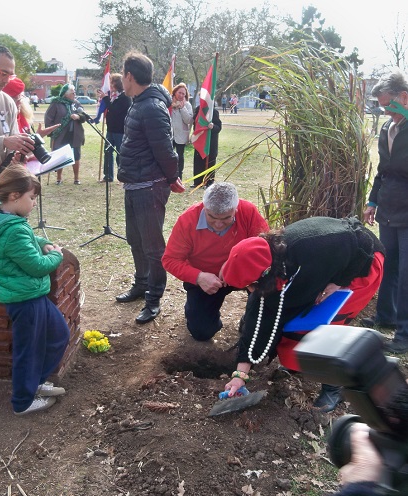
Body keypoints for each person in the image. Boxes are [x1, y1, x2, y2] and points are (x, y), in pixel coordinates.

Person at [220, 216, 385, 412]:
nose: (250, 290)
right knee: (291, 322)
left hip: (361, 265)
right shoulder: (273, 263)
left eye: (250, 285)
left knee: (326, 325)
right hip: (326, 268)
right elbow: (258, 320)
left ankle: (334, 387)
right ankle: (302, 363)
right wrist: (240, 375)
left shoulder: (314, 244)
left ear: (265, 273)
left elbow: (362, 241)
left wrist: (341, 280)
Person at [0, 164, 69, 415]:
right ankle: (22, 401)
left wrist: (45, 242)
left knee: (59, 334)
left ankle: (36, 383)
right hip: (24, 300)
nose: (33, 204)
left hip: (32, 296)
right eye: (31, 198)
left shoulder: (7, 220)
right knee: (27, 351)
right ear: (14, 196)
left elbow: (29, 238)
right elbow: (37, 266)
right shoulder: (13, 229)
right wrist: (57, 255)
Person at [114, 52, 185, 324]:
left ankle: (153, 298)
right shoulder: (138, 103)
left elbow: (166, 151)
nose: (121, 78)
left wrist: (172, 178)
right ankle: (141, 285)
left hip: (149, 187)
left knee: (153, 247)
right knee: (135, 240)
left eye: (123, 74)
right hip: (134, 184)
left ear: (129, 76)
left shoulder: (152, 107)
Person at [161, 182, 268, 341]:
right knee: (202, 332)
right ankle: (196, 311)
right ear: (204, 207)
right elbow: (170, 259)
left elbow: (265, 246)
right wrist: (198, 277)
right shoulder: (187, 220)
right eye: (211, 217)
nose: (218, 224)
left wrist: (234, 262)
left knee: (269, 290)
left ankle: (251, 319)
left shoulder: (248, 211)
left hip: (243, 270)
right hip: (207, 278)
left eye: (226, 218)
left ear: (236, 209)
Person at [362, 71, 408, 354]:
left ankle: (404, 333)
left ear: (404, 97)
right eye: (382, 106)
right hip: (389, 208)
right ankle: (386, 317)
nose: (386, 111)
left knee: (406, 272)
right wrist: (373, 201)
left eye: (389, 104)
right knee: (389, 264)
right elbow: (382, 170)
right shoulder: (386, 129)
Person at [0, 46, 36, 200]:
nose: (6, 80)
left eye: (10, 75)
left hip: (0, 189)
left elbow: (12, 143)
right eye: (3, 73)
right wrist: (4, 141)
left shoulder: (8, 102)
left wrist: (19, 154)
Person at [45, 84, 87, 185]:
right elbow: (48, 117)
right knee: (60, 156)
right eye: (73, 93)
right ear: (66, 94)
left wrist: (78, 116)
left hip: (75, 135)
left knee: (76, 156)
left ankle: (76, 178)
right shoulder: (56, 103)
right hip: (61, 135)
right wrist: (51, 130)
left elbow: (84, 116)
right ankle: (58, 179)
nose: (74, 94)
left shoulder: (76, 103)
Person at [95, 74, 131, 183]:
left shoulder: (125, 97)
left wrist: (105, 99)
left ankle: (124, 176)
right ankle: (108, 176)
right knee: (108, 152)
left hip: (120, 131)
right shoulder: (114, 96)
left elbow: (115, 110)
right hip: (111, 130)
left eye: (112, 82)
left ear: (117, 84)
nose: (110, 85)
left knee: (120, 154)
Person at [192, 100, 222, 187]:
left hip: (211, 142)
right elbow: (195, 124)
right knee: (198, 161)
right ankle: (197, 182)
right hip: (200, 140)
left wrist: (213, 127)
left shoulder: (214, 111)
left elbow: (219, 127)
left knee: (210, 162)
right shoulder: (198, 110)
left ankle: (209, 182)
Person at [169, 83, 193, 180]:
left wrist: (182, 108)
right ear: (175, 92)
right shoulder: (168, 103)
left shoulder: (187, 105)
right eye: (180, 93)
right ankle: (169, 176)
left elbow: (189, 120)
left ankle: (179, 178)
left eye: (183, 94)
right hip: (169, 135)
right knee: (168, 157)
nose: (181, 95)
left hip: (181, 136)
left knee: (180, 157)